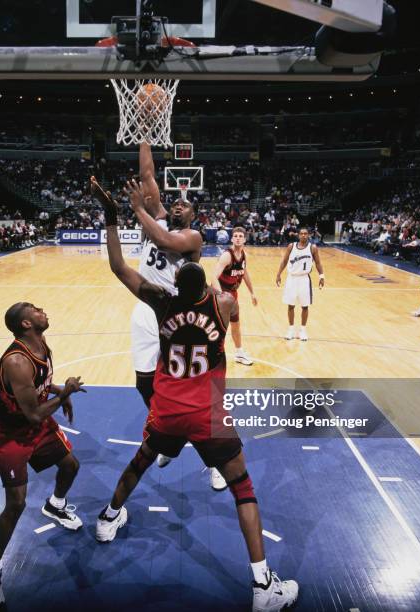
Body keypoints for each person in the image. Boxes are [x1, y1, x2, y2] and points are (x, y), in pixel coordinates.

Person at [94, 194, 298, 612]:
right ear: (203, 281)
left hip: (167, 409)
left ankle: (108, 517)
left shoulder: (160, 303)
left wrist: (113, 215)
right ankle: (263, 586)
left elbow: (118, 267)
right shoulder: (223, 304)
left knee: (141, 461)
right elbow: (216, 290)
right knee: (243, 487)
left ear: (173, 286)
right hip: (207, 414)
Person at [92, 163, 225, 491]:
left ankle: (216, 461)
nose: (179, 205)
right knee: (144, 384)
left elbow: (162, 238)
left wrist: (137, 208)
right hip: (149, 306)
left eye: (186, 204)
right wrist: (148, 126)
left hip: (179, 313)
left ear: (194, 215)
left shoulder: (190, 235)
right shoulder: (159, 220)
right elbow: (148, 173)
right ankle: (170, 435)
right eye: (175, 203)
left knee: (199, 392)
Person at [0, 302, 86, 606]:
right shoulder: (17, 361)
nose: (42, 309)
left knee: (70, 465)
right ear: (26, 324)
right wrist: (65, 392)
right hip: (9, 432)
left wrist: (54, 391)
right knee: (15, 504)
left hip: (34, 420)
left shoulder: (39, 343)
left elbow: (38, 386)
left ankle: (55, 505)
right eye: (35, 309)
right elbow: (34, 415)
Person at [212, 227, 257, 366]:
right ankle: (215, 356)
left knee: (236, 325)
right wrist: (221, 296)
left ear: (244, 239)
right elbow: (213, 277)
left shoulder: (244, 255)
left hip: (233, 294)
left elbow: (245, 274)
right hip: (221, 294)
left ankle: (239, 353)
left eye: (240, 236)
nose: (238, 238)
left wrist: (252, 293)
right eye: (235, 236)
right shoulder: (227, 256)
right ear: (232, 239)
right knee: (221, 327)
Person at [276, 227, 325, 341]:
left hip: (304, 279)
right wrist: (278, 274)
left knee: (305, 306)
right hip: (291, 278)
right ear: (298, 235)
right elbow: (284, 261)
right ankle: (291, 329)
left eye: (305, 234)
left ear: (308, 235)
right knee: (290, 305)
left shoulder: (312, 248)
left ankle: (302, 330)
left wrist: (321, 276)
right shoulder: (291, 246)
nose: (303, 235)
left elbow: (318, 263)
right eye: (301, 233)